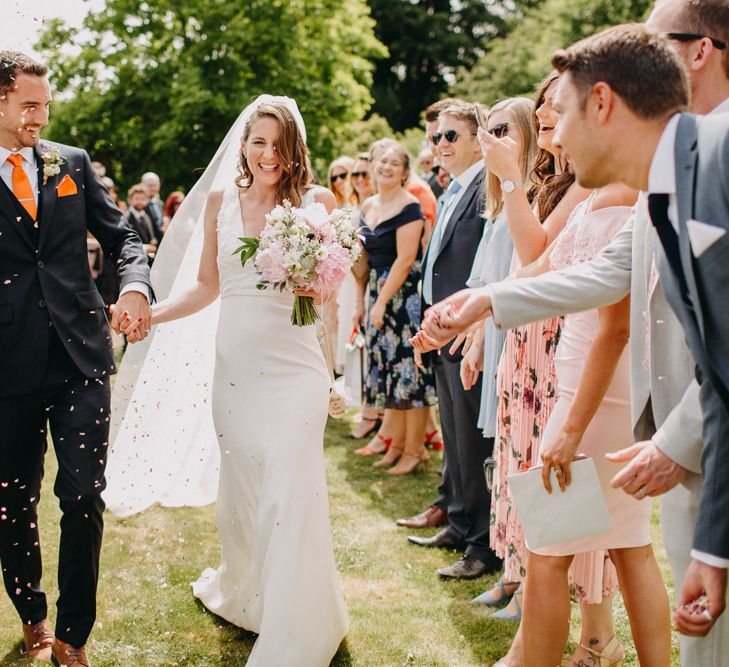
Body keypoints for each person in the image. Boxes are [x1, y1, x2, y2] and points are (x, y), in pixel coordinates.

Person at [417, 19, 729, 656]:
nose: (547, 133)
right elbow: (601, 274)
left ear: (604, 104)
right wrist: (482, 301)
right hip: (685, 459)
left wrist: (676, 446)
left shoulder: (716, 162)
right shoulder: (655, 189)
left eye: (559, 113)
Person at [110, 96, 349, 666]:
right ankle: (250, 595)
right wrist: (152, 314)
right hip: (236, 371)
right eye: (258, 141)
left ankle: (300, 628)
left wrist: (314, 280)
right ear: (243, 145)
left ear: (295, 148)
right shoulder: (221, 199)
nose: (268, 154)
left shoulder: (317, 203)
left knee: (293, 491)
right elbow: (206, 287)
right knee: (244, 496)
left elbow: (331, 292)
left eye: (278, 143)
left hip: (295, 370)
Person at [0, 50, 152, 667]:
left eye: (45, 104)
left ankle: (73, 634)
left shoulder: (72, 163)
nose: (40, 116)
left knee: (84, 494)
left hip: (80, 354)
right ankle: (31, 611)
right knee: (12, 496)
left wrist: (137, 286)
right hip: (6, 362)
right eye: (29, 105)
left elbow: (124, 237)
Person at [407, 101, 502, 580]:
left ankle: (483, 545)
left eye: (450, 137)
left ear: (477, 137)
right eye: (435, 138)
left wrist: (467, 323)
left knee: (473, 439)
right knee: (454, 437)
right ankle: (461, 524)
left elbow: (487, 265)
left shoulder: (489, 187)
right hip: (441, 332)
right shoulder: (449, 190)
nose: (438, 145)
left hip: (469, 333)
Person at [354, 141, 437, 475]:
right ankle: (398, 445)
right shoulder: (368, 205)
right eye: (382, 162)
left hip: (403, 298)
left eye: (394, 163)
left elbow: (405, 260)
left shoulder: (410, 206)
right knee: (390, 374)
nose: (386, 167)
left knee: (410, 375)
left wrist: (384, 300)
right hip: (376, 290)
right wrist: (364, 300)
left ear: (405, 172)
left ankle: (416, 449)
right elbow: (363, 260)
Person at [124, 183, 161, 259]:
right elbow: (125, 242)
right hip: (132, 260)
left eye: (142, 199)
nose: (140, 202)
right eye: (137, 199)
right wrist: (145, 248)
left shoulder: (147, 216)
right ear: (130, 200)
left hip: (147, 259)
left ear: (147, 200)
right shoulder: (126, 218)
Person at [141, 170, 164, 238]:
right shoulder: (138, 205)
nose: (153, 188)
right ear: (142, 185)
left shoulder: (160, 203)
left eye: (155, 185)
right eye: (150, 185)